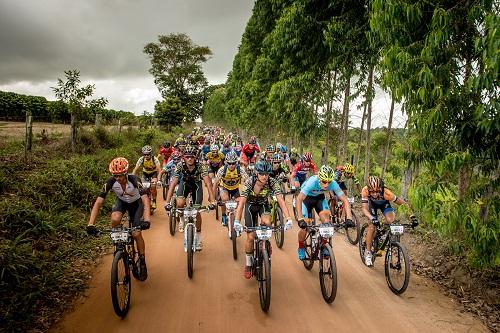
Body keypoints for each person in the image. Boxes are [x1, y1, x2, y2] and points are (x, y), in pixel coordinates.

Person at [86, 157, 151, 280]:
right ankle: (118, 244)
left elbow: (145, 200)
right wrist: (91, 224)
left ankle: (142, 261)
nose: (118, 178)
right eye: (115, 176)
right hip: (121, 202)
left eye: (120, 175)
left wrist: (147, 220)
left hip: (136, 204)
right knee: (115, 218)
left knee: (136, 233)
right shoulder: (110, 182)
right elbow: (98, 202)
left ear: (126, 173)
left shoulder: (134, 179)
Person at [233, 161, 294, 279]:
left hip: (263, 205)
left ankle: (265, 244)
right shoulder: (249, 182)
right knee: (250, 237)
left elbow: (281, 200)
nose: (265, 176)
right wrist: (236, 221)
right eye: (262, 173)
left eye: (267, 173)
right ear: (256, 173)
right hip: (250, 206)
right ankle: (249, 264)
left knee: (267, 224)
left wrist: (288, 219)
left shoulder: (272, 182)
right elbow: (242, 202)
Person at [295, 165, 353, 260]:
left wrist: (349, 218)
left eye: (329, 182)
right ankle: (301, 246)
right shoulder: (312, 182)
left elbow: (345, 200)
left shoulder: (333, 183)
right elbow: (299, 199)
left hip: (319, 199)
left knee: (327, 222)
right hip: (306, 199)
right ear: (319, 178)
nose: (326, 185)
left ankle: (325, 243)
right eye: (324, 182)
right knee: (304, 228)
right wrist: (300, 219)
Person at [164, 146, 216, 250]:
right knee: (179, 204)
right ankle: (182, 219)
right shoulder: (180, 165)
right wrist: (167, 201)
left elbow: (208, 183)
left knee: (197, 211)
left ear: (195, 157)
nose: (189, 159)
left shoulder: (201, 166)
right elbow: (173, 183)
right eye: (187, 157)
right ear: (184, 158)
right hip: (185, 184)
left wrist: (213, 200)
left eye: (191, 157)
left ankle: (199, 238)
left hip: (197, 185)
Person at [361, 176, 418, 267]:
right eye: (372, 191)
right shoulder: (365, 190)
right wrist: (372, 219)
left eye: (377, 191)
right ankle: (368, 253)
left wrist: (412, 216)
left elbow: (403, 204)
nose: (375, 194)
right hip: (371, 205)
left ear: (381, 188)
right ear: (369, 189)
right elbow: (364, 209)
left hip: (384, 204)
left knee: (391, 220)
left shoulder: (387, 193)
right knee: (372, 225)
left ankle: (382, 232)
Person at [212, 151, 248, 228]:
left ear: (236, 162)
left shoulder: (240, 169)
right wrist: (213, 197)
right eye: (229, 163)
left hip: (235, 189)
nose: (231, 165)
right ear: (226, 162)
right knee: (225, 199)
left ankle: (236, 218)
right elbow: (215, 183)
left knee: (239, 203)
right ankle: (224, 215)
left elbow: (247, 180)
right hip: (225, 188)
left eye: (233, 163)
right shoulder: (222, 170)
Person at [132, 145, 162, 209]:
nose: (146, 156)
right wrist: (132, 178)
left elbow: (159, 170)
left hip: (153, 173)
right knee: (143, 188)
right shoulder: (141, 159)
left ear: (150, 154)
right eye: (145, 154)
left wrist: (159, 180)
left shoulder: (155, 159)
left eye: (148, 154)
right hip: (145, 173)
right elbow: (135, 169)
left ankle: (154, 201)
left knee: (153, 186)